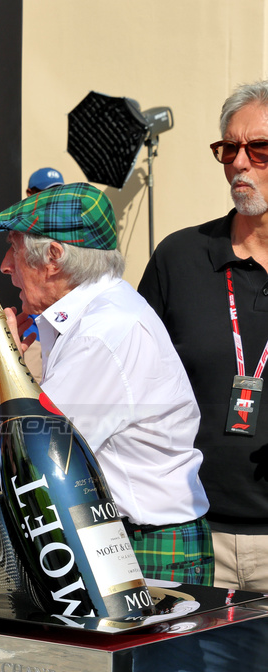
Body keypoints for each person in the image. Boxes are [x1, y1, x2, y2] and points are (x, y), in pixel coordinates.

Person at [0, 182, 212, 582]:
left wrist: (6, 358)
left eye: (14, 247)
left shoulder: (102, 333)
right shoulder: (102, 315)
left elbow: (24, 461)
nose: (5, 265)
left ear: (53, 258)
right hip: (134, 539)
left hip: (141, 545)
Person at [138, 80, 268, 592]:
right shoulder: (180, 258)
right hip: (190, 536)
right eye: (228, 148)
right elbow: (132, 385)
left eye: (258, 148)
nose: (240, 163)